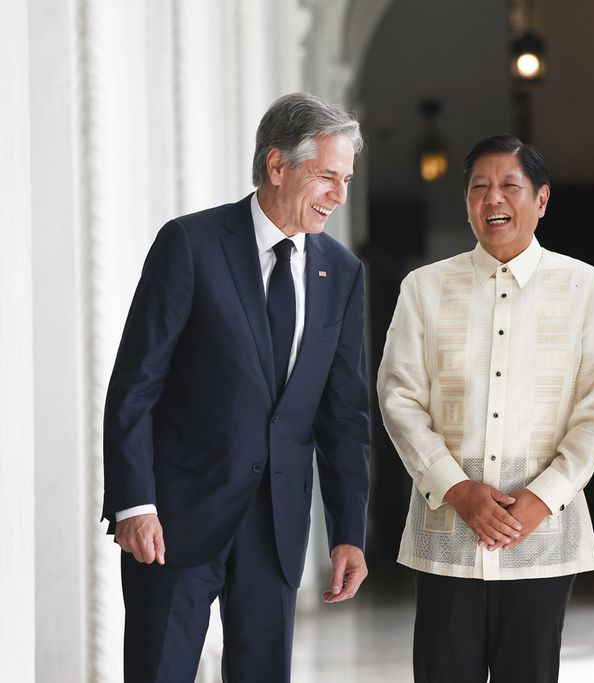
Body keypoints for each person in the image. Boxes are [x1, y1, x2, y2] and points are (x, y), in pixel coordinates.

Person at [102, 92, 371, 682]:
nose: (340, 195)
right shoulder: (190, 244)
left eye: (346, 179)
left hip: (275, 526)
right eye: (328, 176)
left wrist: (349, 531)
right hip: (172, 519)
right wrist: (134, 501)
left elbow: (343, 415)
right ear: (278, 166)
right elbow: (136, 383)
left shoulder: (342, 273)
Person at [377, 134, 594, 683]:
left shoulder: (585, 287)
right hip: (447, 532)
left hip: (542, 536)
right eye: (479, 189)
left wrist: (544, 497)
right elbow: (399, 398)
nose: (494, 200)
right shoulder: (424, 287)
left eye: (510, 186)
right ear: (465, 202)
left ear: (542, 199)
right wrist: (457, 489)